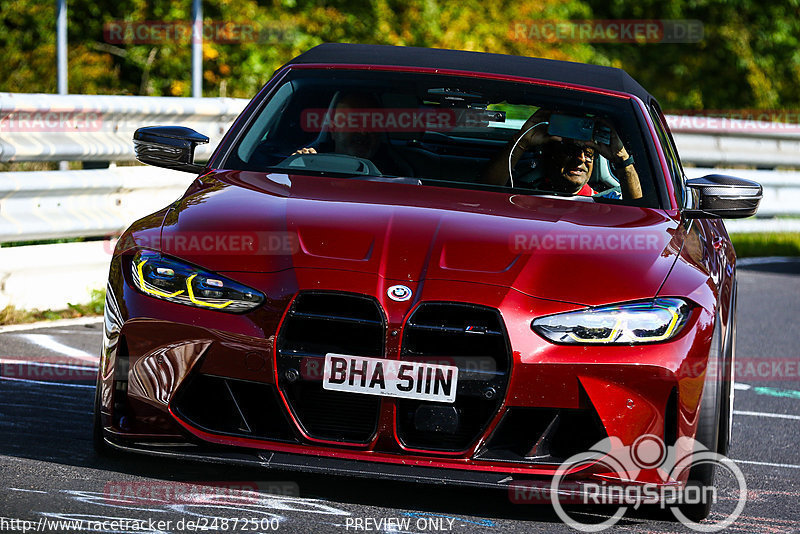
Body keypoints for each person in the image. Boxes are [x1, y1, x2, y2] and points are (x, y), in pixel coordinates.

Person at [484, 109, 642, 200]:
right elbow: (486, 197)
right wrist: (521, 142)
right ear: (547, 155)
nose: (580, 159)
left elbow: (641, 219)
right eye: (569, 151)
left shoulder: (608, 201)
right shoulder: (522, 197)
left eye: (588, 153)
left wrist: (622, 158)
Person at [293, 92, 412, 176]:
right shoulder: (309, 165)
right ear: (333, 129)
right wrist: (297, 165)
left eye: (371, 124)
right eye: (355, 123)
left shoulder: (397, 178)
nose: (363, 131)